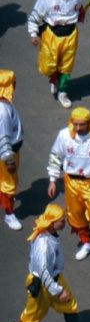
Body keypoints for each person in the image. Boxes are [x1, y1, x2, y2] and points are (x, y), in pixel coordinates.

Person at [19, 204, 90, 322]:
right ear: (52, 223)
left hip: (55, 278)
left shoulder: (50, 234)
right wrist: (58, 291)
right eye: (61, 220)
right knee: (30, 319)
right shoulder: (43, 244)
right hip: (42, 285)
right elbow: (43, 272)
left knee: (69, 307)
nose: (64, 222)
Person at [46, 106, 90, 260]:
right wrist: (52, 180)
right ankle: (86, 242)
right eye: (75, 124)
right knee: (75, 215)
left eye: (82, 124)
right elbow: (55, 157)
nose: (78, 128)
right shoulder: (64, 136)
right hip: (72, 183)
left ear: (89, 123)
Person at [28, 0, 85, 106]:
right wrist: (33, 33)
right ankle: (53, 78)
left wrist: (78, 23)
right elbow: (36, 15)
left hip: (70, 34)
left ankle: (63, 92)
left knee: (66, 65)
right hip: (51, 33)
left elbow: (80, 10)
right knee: (48, 66)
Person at [0, 69, 24, 230]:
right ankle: (9, 214)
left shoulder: (5, 103)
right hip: (8, 154)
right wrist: (8, 160)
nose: (14, 85)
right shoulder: (2, 111)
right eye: (12, 82)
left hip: (13, 151)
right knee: (9, 183)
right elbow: (3, 137)